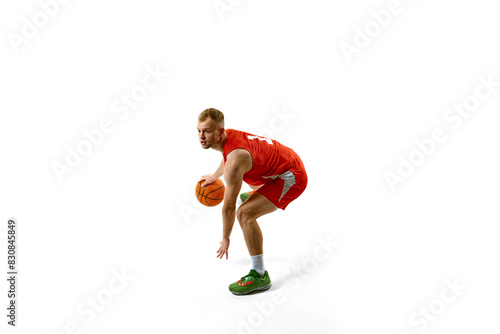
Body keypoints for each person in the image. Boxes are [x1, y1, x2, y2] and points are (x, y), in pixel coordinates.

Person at [197, 108, 307, 295]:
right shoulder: (228, 138)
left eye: (207, 131)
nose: (201, 136)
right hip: (283, 162)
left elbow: (229, 207)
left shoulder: (236, 159)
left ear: (220, 132)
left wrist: (225, 238)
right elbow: (228, 158)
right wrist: (214, 176)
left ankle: (259, 275)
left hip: (292, 176)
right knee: (249, 174)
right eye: (199, 130)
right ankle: (260, 197)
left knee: (244, 213)